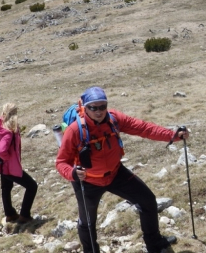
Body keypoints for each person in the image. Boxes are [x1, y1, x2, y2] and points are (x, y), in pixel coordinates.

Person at [56, 86, 189, 253]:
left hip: (115, 173)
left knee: (147, 200)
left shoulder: (114, 119)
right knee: (87, 222)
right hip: (87, 180)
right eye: (93, 107)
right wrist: (73, 174)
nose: (99, 111)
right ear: (85, 107)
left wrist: (172, 135)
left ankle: (154, 244)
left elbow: (143, 128)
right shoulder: (75, 130)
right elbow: (61, 162)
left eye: (102, 106)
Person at [0, 103, 38, 224]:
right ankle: (24, 215)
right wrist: (8, 158)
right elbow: (1, 151)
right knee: (32, 186)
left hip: (0, 165)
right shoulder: (8, 131)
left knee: (6, 188)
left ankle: (10, 214)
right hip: (9, 167)